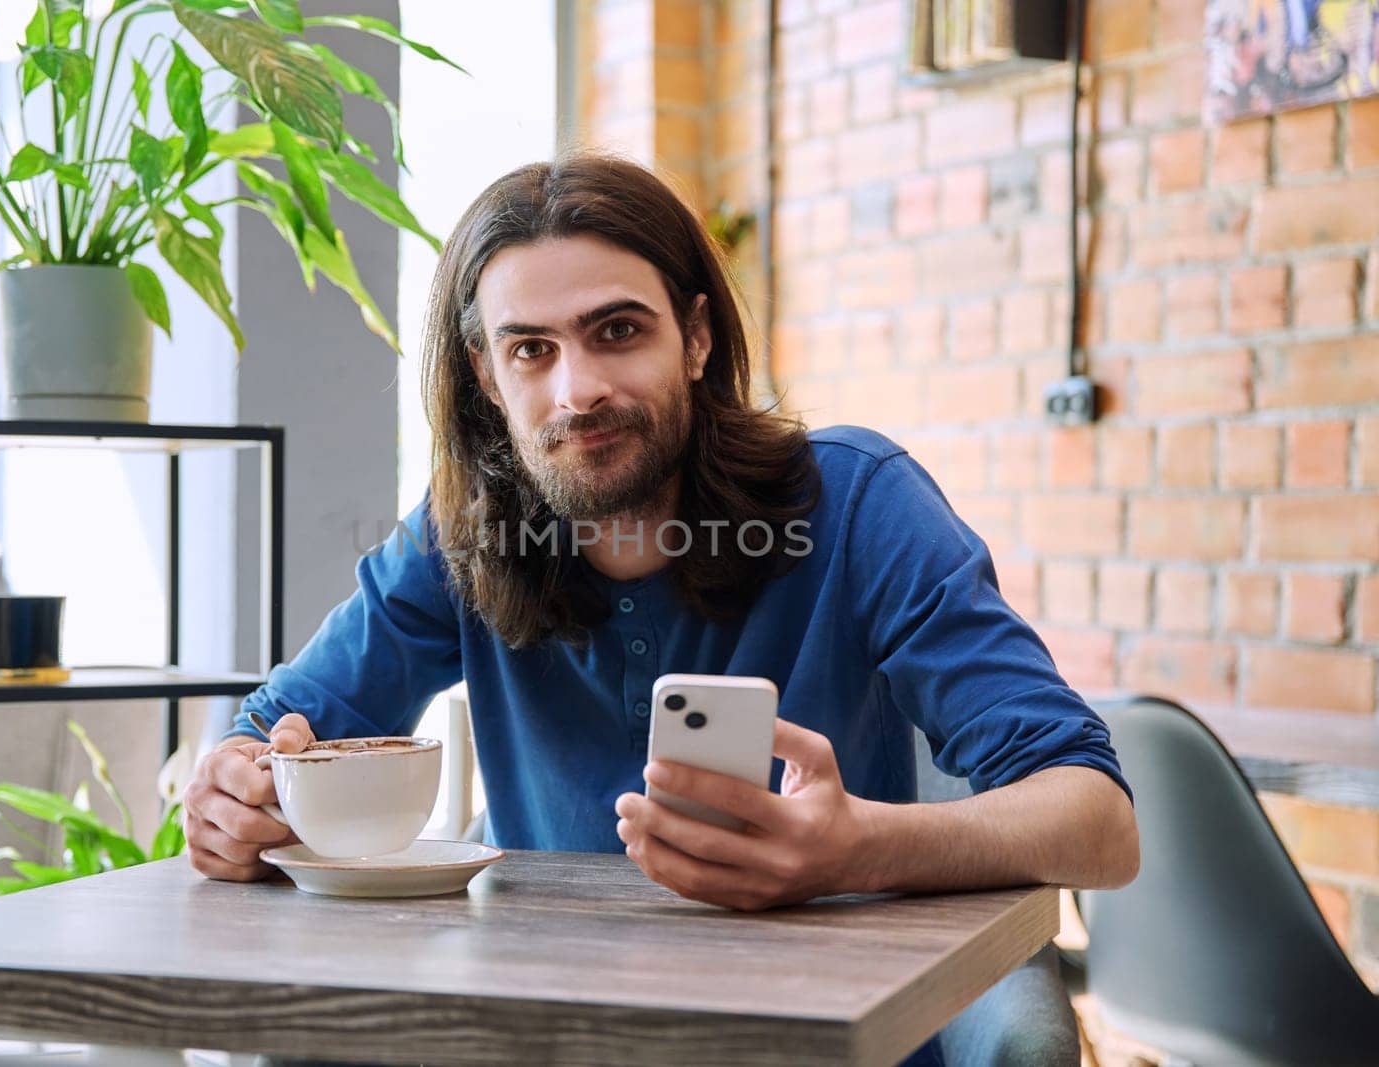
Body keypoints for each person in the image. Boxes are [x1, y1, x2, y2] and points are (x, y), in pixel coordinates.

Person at [184, 152, 1136, 919]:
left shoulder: (857, 502)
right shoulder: (457, 537)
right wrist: (230, 795)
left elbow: (1097, 818)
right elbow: (269, 735)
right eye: (532, 349)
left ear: (696, 338)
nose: (576, 389)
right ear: (486, 375)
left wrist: (861, 847)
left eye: (617, 331)